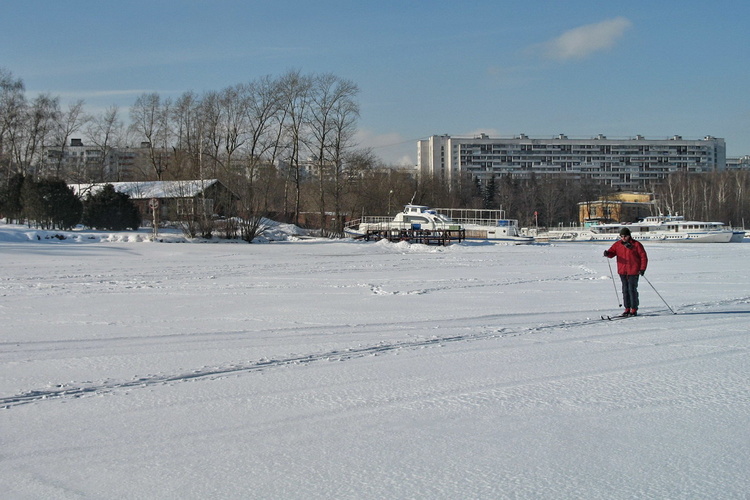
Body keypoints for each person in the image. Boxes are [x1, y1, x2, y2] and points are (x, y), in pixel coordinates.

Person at [603, 227, 648, 317]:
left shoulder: (636, 245)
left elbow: (643, 257)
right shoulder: (617, 244)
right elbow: (612, 253)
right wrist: (607, 253)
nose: (623, 238)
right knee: (625, 290)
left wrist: (642, 269)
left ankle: (634, 309)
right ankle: (627, 308)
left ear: (629, 236)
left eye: (625, 236)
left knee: (632, 290)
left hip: (634, 271)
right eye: (621, 236)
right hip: (622, 271)